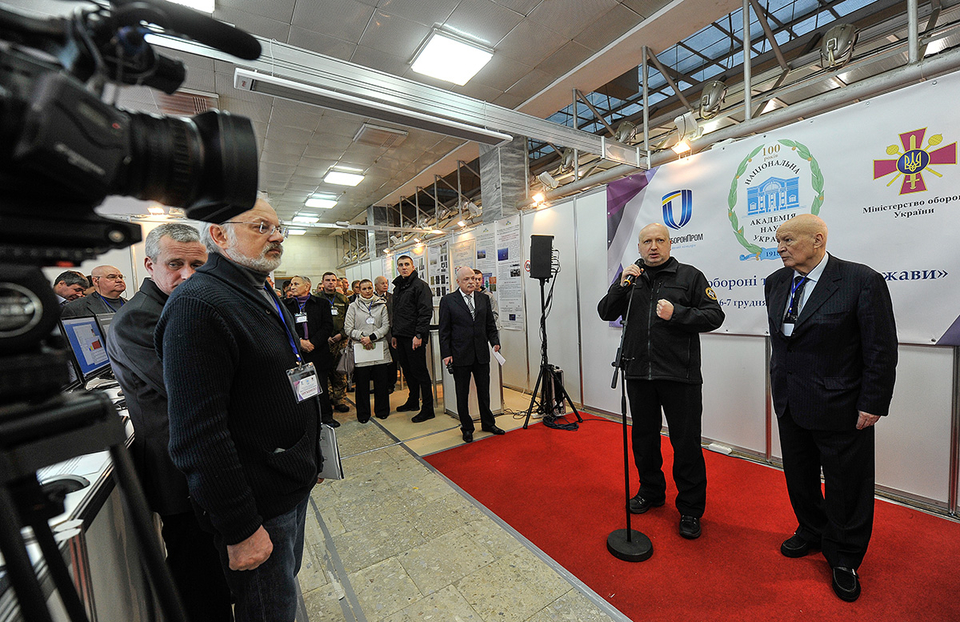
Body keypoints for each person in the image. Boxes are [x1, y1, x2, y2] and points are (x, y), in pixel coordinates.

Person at [156, 199, 323, 622]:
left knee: (283, 590)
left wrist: (312, 456)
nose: (277, 235)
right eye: (261, 226)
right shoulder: (199, 304)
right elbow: (198, 436)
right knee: (269, 609)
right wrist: (240, 527)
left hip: (288, 480)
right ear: (218, 235)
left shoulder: (257, 290)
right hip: (258, 506)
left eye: (279, 227)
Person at [764, 214, 897, 603]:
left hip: (841, 404)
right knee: (799, 476)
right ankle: (812, 529)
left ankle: (844, 556)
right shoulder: (775, 282)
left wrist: (873, 402)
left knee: (846, 485)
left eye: (788, 240)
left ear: (818, 240)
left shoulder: (861, 280)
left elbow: (880, 348)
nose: (780, 247)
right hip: (790, 399)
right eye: (778, 240)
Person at [106, 223, 231, 621]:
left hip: (201, 459)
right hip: (179, 467)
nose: (188, 275)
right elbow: (189, 386)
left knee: (214, 569)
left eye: (198, 265)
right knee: (197, 575)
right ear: (150, 265)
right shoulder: (138, 319)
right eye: (175, 264)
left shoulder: (182, 306)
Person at [597, 222, 724, 540]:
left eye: (659, 240)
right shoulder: (632, 279)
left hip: (680, 376)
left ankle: (690, 509)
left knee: (686, 444)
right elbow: (605, 311)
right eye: (647, 241)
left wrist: (677, 313)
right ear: (639, 247)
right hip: (639, 373)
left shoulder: (689, 276)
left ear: (669, 244)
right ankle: (651, 491)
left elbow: (714, 316)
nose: (653, 246)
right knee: (644, 440)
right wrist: (621, 285)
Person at [439, 267, 504, 443]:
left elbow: (489, 324)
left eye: (473, 279)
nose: (471, 282)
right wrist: (446, 354)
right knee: (462, 393)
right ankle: (467, 427)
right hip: (460, 354)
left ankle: (488, 423)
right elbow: (444, 331)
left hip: (481, 353)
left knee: (484, 391)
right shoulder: (448, 300)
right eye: (466, 279)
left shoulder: (483, 298)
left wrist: (495, 341)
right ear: (458, 282)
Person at [283, 275, 339, 428]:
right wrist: (300, 342)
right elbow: (284, 328)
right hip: (297, 352)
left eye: (296, 284)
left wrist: (313, 343)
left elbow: (327, 326)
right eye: (291, 284)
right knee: (302, 389)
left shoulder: (321, 303)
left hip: (318, 351)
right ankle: (307, 420)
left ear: (307, 286)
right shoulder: (285, 305)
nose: (292, 287)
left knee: (322, 388)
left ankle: (326, 417)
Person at [391, 255, 435, 422]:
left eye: (407, 264)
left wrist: (419, 335)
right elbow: (396, 313)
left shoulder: (420, 286)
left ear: (413, 266)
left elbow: (425, 312)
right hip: (401, 336)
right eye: (401, 265)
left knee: (420, 372)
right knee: (407, 371)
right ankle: (413, 401)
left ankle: (428, 408)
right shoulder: (398, 287)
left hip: (414, 337)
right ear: (397, 268)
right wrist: (395, 334)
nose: (404, 267)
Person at [344, 279, 392, 422]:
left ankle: (382, 410)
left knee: (381, 382)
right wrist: (363, 338)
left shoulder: (381, 305)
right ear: (359, 290)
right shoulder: (353, 306)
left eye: (369, 288)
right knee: (362, 384)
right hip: (361, 348)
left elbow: (386, 326)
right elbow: (348, 328)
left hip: (379, 347)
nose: (367, 291)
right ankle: (363, 414)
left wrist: (371, 337)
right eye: (364, 289)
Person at [316, 272, 351, 413]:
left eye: (333, 280)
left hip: (340, 341)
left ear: (337, 282)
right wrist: (323, 336)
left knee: (340, 371)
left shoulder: (343, 299)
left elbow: (349, 321)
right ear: (322, 282)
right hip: (323, 342)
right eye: (328, 280)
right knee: (324, 372)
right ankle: (328, 397)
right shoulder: (316, 299)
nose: (331, 282)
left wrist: (341, 335)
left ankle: (340, 400)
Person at [61, 265, 126, 317]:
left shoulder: (129, 304)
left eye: (121, 277)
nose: (119, 280)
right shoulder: (75, 308)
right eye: (112, 277)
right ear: (96, 281)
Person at [374, 275, 398, 393]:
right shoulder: (372, 298)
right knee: (378, 361)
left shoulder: (392, 298)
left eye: (386, 283)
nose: (385, 285)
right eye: (382, 283)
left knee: (392, 360)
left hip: (390, 333)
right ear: (376, 285)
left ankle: (390, 384)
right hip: (375, 333)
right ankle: (379, 385)